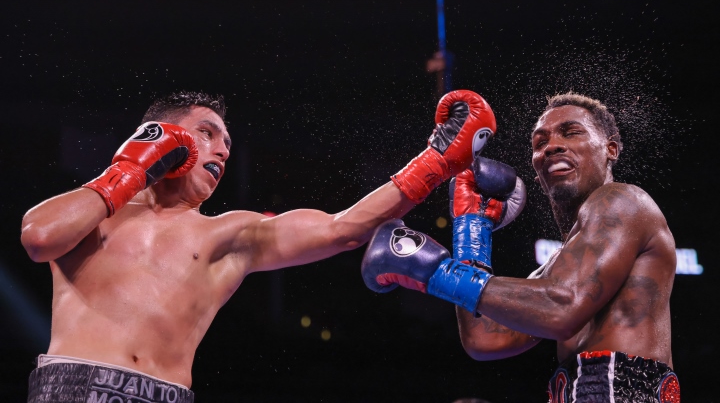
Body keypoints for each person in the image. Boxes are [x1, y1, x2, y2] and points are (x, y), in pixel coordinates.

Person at [19, 89, 497, 403]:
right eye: (207, 134)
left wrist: (438, 161)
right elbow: (39, 237)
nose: (223, 150)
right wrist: (130, 169)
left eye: (226, 142)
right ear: (164, 137)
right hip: (71, 387)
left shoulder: (227, 234)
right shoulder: (93, 214)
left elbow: (343, 229)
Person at [361, 92, 680, 402]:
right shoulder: (559, 266)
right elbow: (484, 337)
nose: (552, 145)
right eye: (540, 143)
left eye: (571, 133)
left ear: (610, 148)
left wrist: (435, 270)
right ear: (537, 172)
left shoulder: (623, 200)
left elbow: (562, 309)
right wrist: (473, 232)